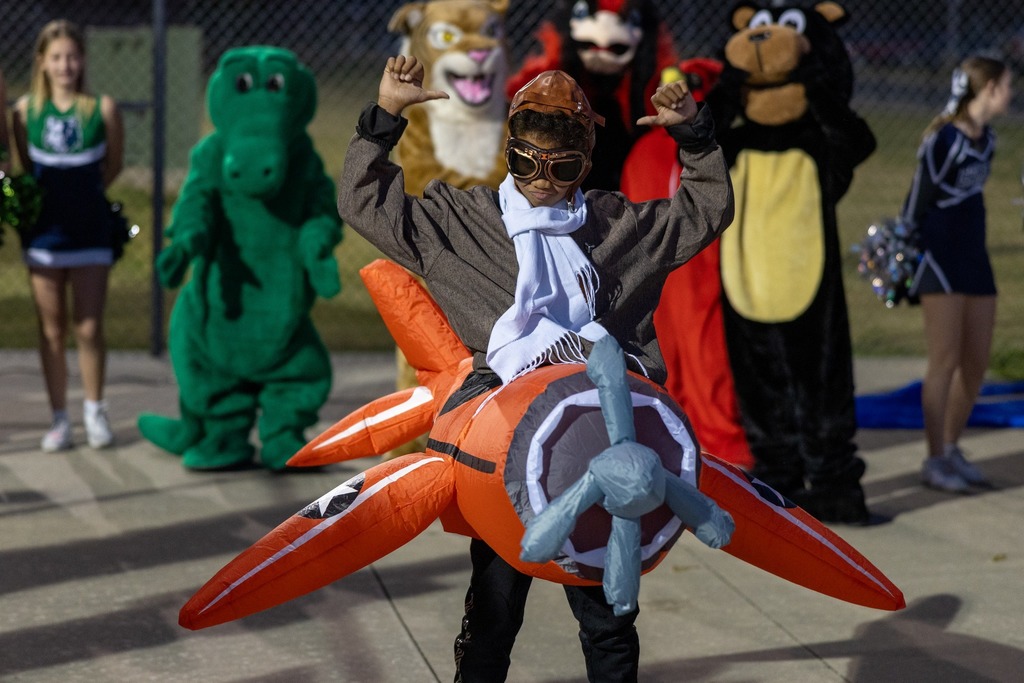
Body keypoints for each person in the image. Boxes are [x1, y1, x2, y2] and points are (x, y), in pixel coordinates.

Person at [338, 54, 733, 683]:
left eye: (563, 168)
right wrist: (384, 116)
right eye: (525, 164)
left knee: (607, 619)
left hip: (598, 440)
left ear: (586, 164)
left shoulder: (617, 227)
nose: (542, 182)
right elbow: (364, 203)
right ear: (509, 152)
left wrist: (693, 134)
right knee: (495, 612)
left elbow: (705, 210)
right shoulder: (462, 224)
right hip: (505, 441)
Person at [12, 19, 125, 452]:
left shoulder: (103, 108)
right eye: (57, 57)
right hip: (44, 236)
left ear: (83, 60)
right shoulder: (24, 112)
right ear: (42, 61)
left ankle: (95, 411)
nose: (66, 65)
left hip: (91, 230)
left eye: (73, 56)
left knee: (90, 326)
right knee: (52, 328)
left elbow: (112, 166)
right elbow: (23, 166)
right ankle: (59, 419)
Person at [903, 56, 1013, 493]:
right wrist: (908, 256)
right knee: (944, 361)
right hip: (940, 258)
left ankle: (950, 447)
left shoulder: (988, 140)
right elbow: (916, 201)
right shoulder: (942, 139)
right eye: (1007, 87)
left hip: (975, 258)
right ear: (987, 89)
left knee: (976, 363)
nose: (1011, 94)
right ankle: (933, 460)